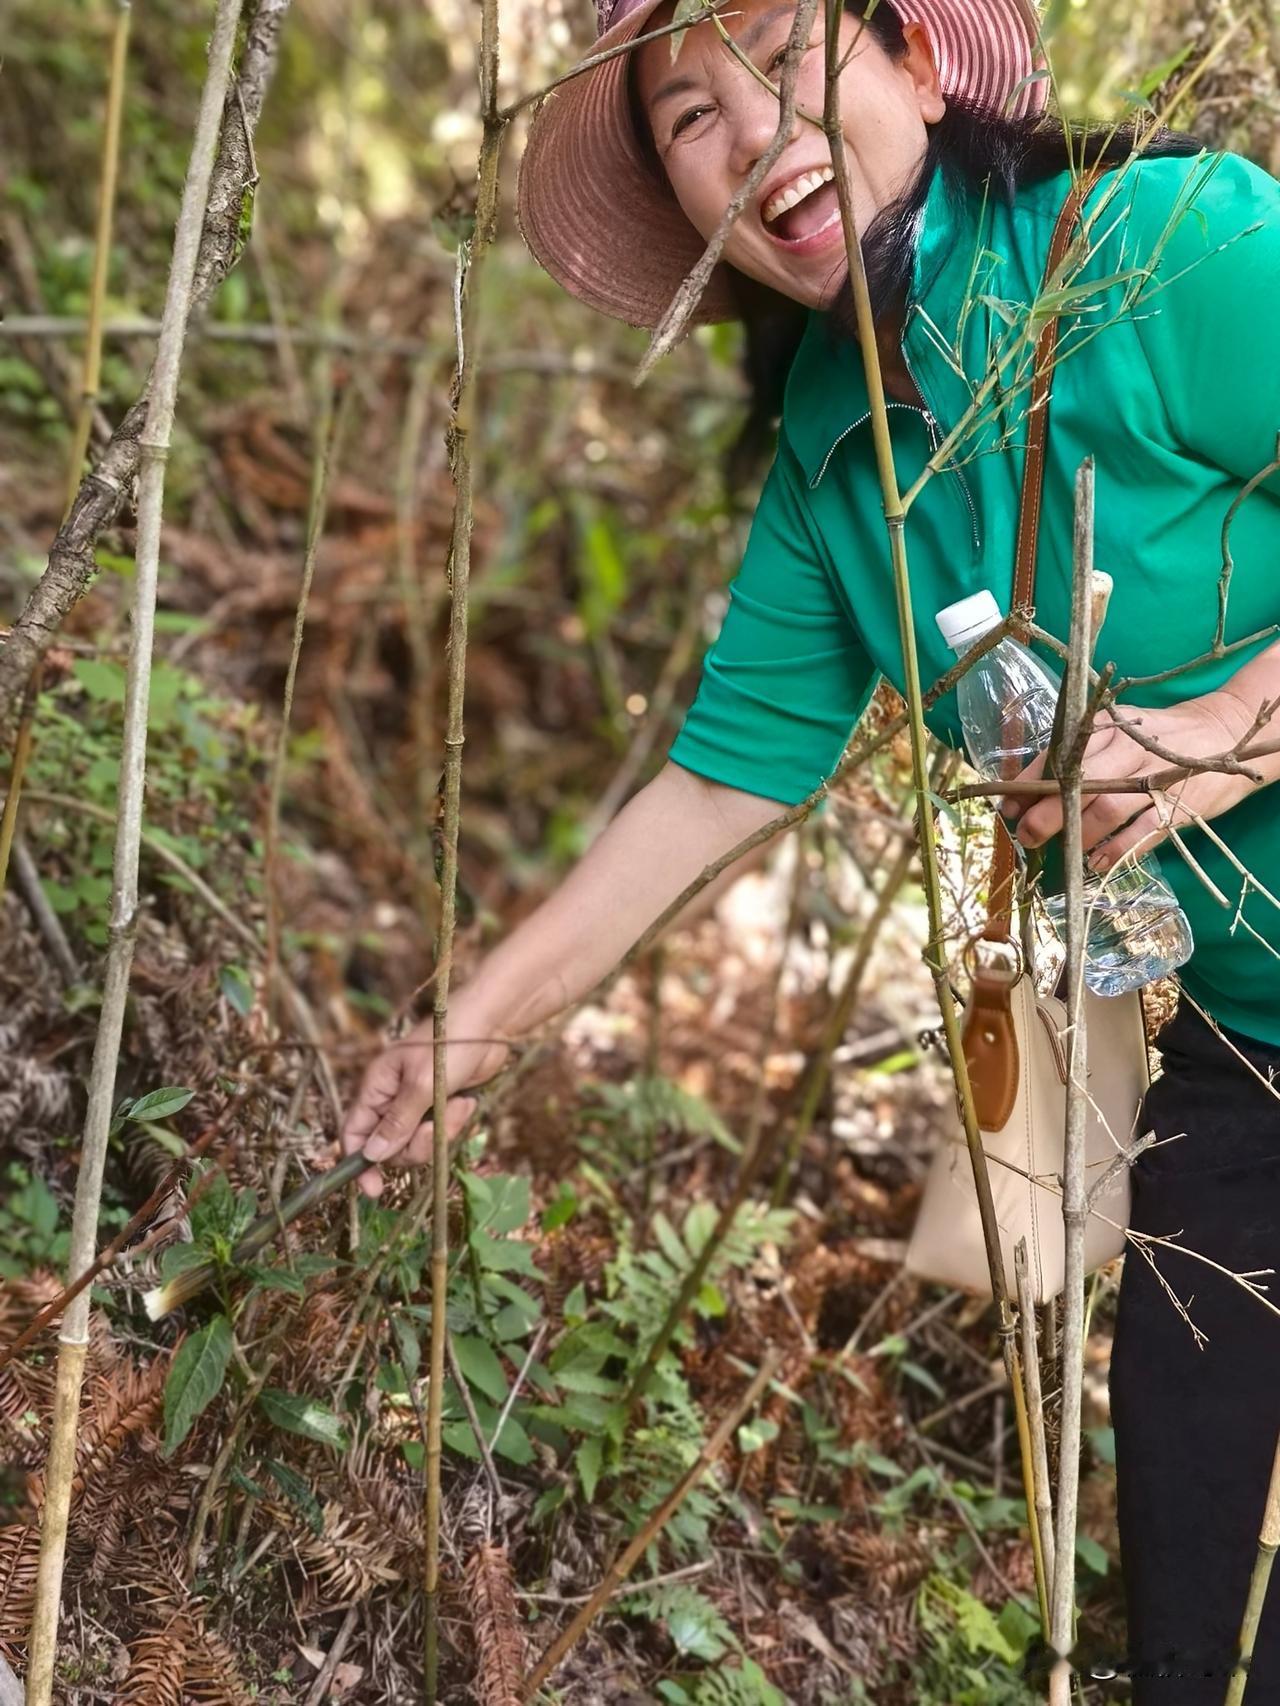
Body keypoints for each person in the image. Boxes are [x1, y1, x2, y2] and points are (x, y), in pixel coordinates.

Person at [340, 0, 1280, 1695]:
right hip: (1235, 1051)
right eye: (689, 118)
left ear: (913, 58)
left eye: (782, 52)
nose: (755, 130)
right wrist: (470, 1029)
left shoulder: (1161, 249)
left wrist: (1220, 732)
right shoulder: (838, 454)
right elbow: (717, 786)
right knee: (1202, 1618)